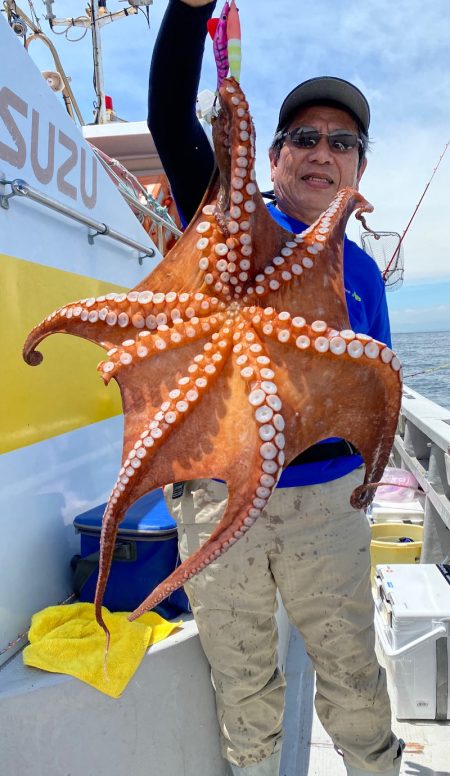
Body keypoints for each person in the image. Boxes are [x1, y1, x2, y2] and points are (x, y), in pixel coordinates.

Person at [148, 2, 404, 775]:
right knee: (246, 682)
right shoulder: (225, 220)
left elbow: (377, 387)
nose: (322, 150)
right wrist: (191, 11)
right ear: (276, 158)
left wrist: (367, 465)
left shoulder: (361, 271)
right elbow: (166, 112)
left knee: (354, 677)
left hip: (327, 503)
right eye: (304, 137)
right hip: (223, 495)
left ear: (359, 167)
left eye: (342, 141)